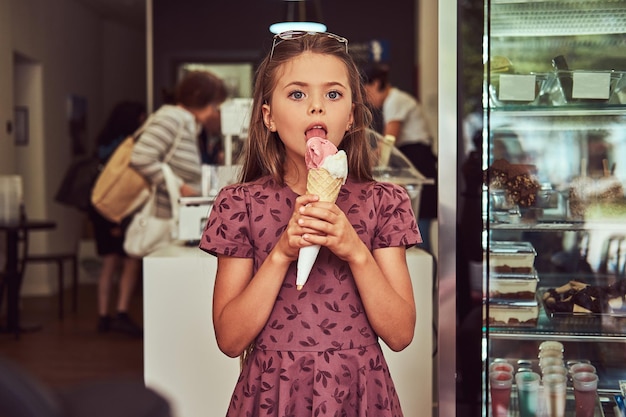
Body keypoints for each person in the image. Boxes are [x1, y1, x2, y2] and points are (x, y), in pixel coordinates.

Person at [199, 31, 421, 417]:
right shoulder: (240, 204)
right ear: (268, 115)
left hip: (359, 389)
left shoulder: (385, 202)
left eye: (333, 95)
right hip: (273, 391)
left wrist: (356, 251)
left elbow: (401, 334)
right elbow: (231, 339)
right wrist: (282, 252)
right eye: (297, 94)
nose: (316, 108)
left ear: (351, 115)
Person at [130, 70, 228, 219]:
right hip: (158, 217)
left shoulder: (189, 124)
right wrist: (179, 186)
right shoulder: (171, 118)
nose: (214, 112)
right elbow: (140, 157)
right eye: (214, 105)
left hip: (170, 217)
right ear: (201, 100)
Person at [362, 63, 438, 253]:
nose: (367, 99)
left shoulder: (395, 100)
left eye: (366, 92)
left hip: (419, 160)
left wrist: (366, 164)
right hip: (416, 158)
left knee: (420, 226)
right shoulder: (393, 101)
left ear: (377, 84)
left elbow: (388, 141)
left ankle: (428, 276)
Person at [88, 100, 147, 337]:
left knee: (108, 264)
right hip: (119, 209)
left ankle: (103, 316)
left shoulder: (104, 142)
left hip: (100, 205)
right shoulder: (130, 145)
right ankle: (121, 311)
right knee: (131, 259)